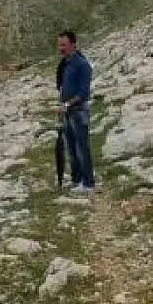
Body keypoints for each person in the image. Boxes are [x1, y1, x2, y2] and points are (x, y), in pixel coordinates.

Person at [56, 30, 95, 193]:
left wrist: (67, 104)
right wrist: (61, 105)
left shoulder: (82, 64)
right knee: (71, 148)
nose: (61, 48)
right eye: (59, 45)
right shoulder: (65, 63)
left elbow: (83, 92)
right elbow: (63, 87)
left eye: (64, 45)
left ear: (73, 44)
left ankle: (88, 183)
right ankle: (77, 179)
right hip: (67, 111)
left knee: (81, 148)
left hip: (79, 111)